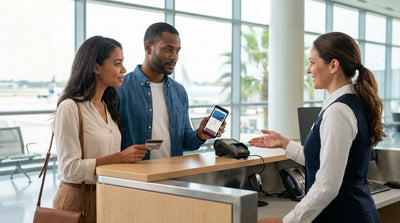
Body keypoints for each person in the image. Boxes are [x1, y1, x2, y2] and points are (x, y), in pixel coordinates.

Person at [250, 32, 386, 223]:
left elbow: (327, 185)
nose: (308, 70)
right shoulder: (347, 103)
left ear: (333, 65)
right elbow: (324, 161)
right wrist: (285, 144)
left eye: (313, 62)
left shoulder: (338, 111)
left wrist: (286, 222)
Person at [52, 36, 149, 223]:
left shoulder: (108, 107)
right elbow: (69, 169)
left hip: (106, 197)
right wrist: (119, 158)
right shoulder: (70, 107)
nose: (123, 70)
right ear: (96, 67)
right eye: (117, 63)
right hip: (76, 201)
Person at [117, 22, 225, 159]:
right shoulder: (120, 88)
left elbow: (185, 142)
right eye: (168, 49)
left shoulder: (179, 91)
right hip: (133, 178)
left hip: (172, 177)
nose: (174, 57)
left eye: (177, 51)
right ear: (148, 47)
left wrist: (199, 134)